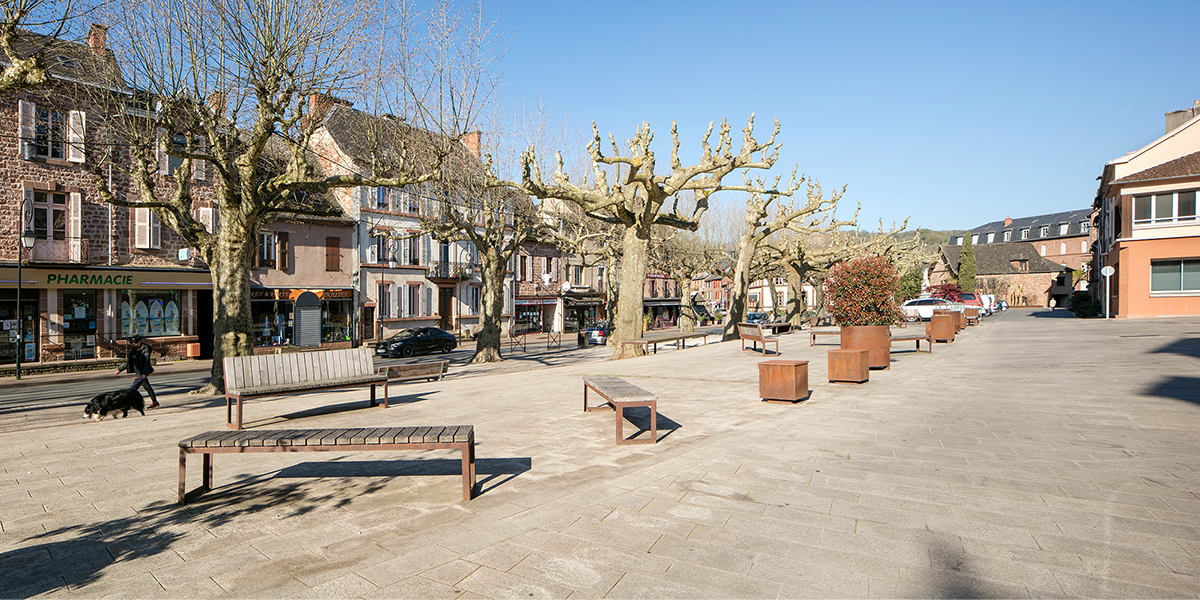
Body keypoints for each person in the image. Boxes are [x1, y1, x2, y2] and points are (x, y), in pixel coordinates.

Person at [116, 335, 159, 408]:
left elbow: (147, 362)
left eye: (135, 343)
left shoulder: (145, 349)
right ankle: (155, 402)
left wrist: (144, 373)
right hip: (138, 372)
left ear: (139, 341)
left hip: (141, 373)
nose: (134, 345)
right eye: (133, 344)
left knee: (132, 390)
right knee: (147, 387)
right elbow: (130, 362)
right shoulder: (134, 349)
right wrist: (120, 370)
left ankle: (126, 406)